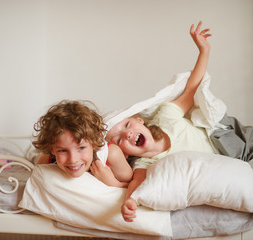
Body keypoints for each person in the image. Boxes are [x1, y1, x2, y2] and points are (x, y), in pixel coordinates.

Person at [106, 21, 216, 222]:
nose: (127, 134)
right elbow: (137, 183)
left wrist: (204, 52)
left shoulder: (166, 116)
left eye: (128, 125)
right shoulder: (143, 162)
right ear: (123, 152)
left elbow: (191, 89)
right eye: (119, 139)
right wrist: (130, 202)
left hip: (225, 142)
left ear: (140, 120)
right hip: (217, 167)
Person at [32, 100, 133, 187]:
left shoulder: (112, 154)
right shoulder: (47, 159)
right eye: (63, 150)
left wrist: (114, 183)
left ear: (93, 142)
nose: (73, 159)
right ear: (52, 150)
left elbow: (135, 185)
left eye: (81, 148)